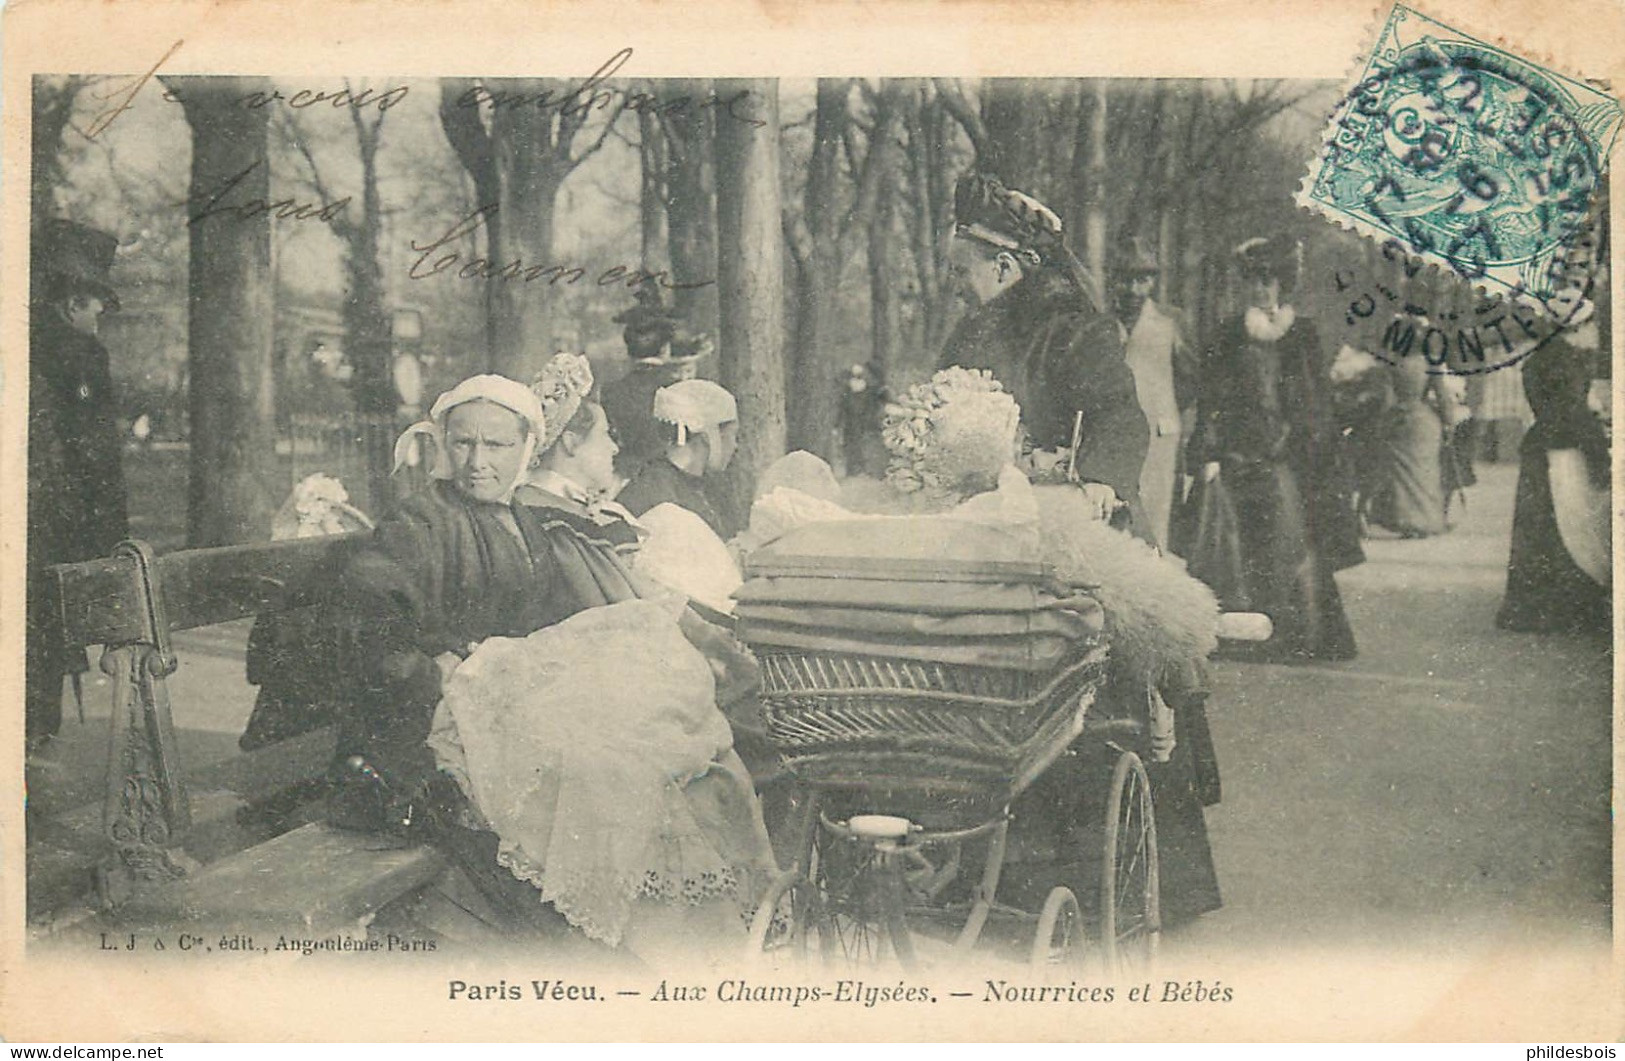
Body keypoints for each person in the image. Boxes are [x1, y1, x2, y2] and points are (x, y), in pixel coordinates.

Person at [332, 372, 774, 959]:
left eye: (496, 446)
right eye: (463, 443)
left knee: (656, 751)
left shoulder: (522, 521)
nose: (477, 462)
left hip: (509, 701)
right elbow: (369, 629)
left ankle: (683, 944)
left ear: (524, 450)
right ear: (442, 444)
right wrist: (432, 668)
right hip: (428, 716)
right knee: (598, 768)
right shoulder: (417, 523)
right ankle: (617, 942)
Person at [938, 173, 1148, 530]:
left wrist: (1101, 478)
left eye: (961, 272)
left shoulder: (1074, 329)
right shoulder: (965, 338)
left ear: (1003, 267)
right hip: (981, 513)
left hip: (1067, 513)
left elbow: (1119, 412)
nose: (954, 287)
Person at [1189, 235, 1360, 662]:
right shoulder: (1227, 334)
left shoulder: (1301, 334)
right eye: (1253, 280)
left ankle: (1297, 634)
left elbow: (1317, 400)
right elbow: (1210, 399)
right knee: (1232, 542)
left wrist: (1310, 446)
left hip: (1286, 457)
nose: (1262, 288)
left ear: (1282, 284)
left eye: (1269, 280)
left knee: (1289, 542)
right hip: (1236, 456)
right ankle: (1239, 635)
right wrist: (1209, 450)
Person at [26, 219, 128, 750]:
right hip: (56, 532)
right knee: (41, 651)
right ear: (72, 304)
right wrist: (112, 544)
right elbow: (97, 462)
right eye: (97, 306)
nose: (101, 318)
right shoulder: (82, 357)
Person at [1497, 305, 1610, 635]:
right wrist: (1598, 455)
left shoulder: (1540, 356)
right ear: (1580, 324)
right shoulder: (1568, 359)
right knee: (1567, 527)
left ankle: (1532, 606)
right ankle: (1565, 610)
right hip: (1564, 452)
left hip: (1541, 446)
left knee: (1537, 530)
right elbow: (1572, 413)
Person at [1112, 236, 1197, 548]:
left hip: (1159, 437)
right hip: (1116, 433)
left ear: (1152, 281)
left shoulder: (1170, 321)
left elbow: (1190, 378)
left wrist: (1166, 408)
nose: (1134, 289)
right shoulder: (1104, 321)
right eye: (1126, 279)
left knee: (1154, 519)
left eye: (1142, 279)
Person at [598, 287, 711, 480]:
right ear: (665, 349)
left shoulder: (609, 392)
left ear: (629, 351)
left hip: (621, 480)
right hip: (668, 482)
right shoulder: (678, 389)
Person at [615, 377, 741, 539]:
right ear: (707, 437)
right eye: (732, 435)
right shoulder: (654, 490)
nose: (735, 445)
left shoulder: (711, 487)